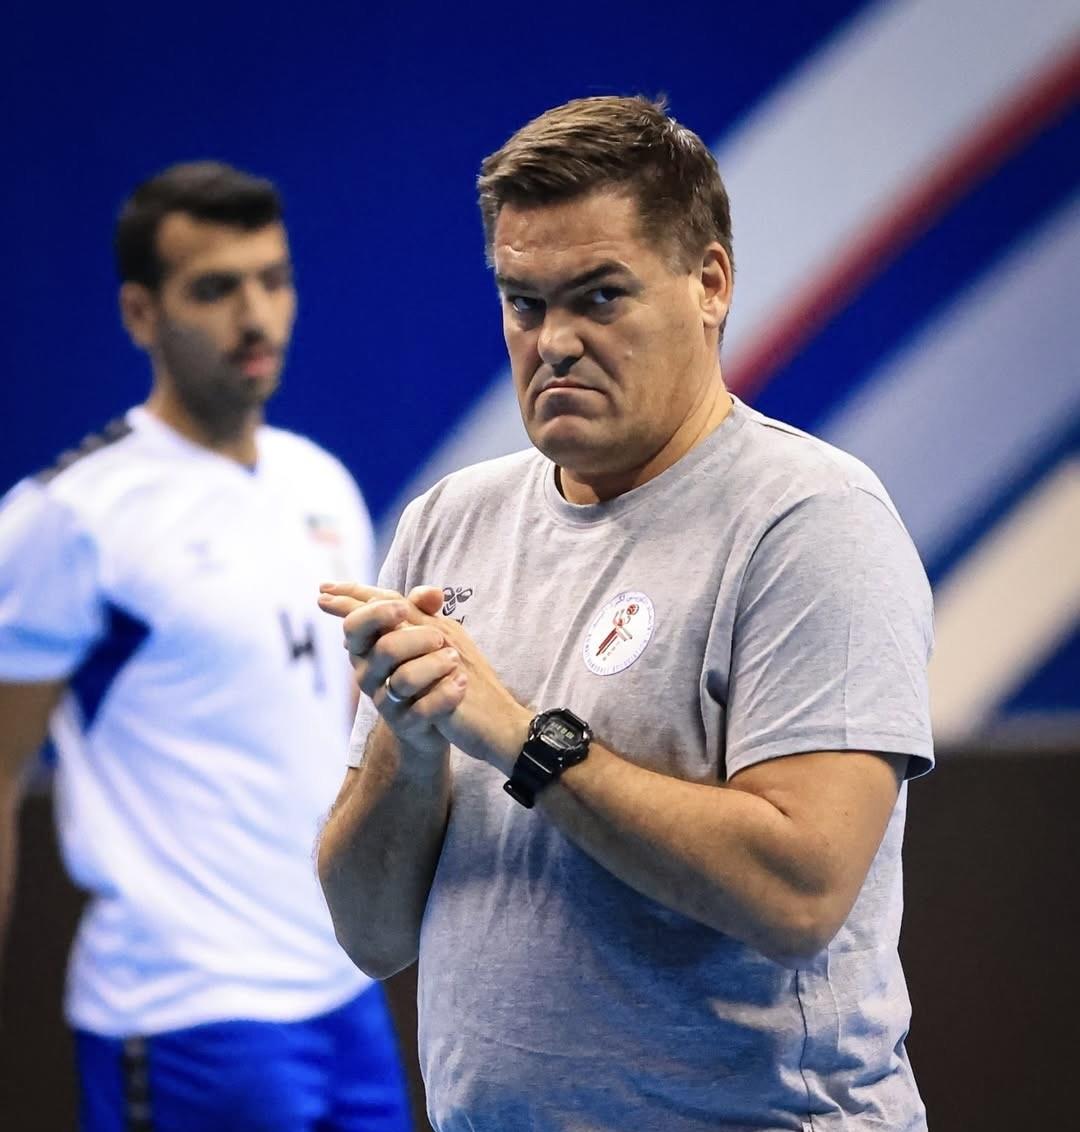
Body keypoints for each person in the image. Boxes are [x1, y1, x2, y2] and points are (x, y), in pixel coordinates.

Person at [316, 96, 936, 1132]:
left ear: (710, 283)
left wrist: (520, 738)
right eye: (523, 303)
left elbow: (800, 896)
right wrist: (411, 748)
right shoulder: (447, 523)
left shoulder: (813, 522)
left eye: (600, 296)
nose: (554, 341)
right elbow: (370, 935)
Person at [0, 162, 413, 1131]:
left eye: (274, 280)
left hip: (344, 994)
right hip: (184, 1016)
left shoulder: (322, 485)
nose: (255, 316)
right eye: (216, 288)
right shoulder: (68, 516)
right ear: (140, 313)